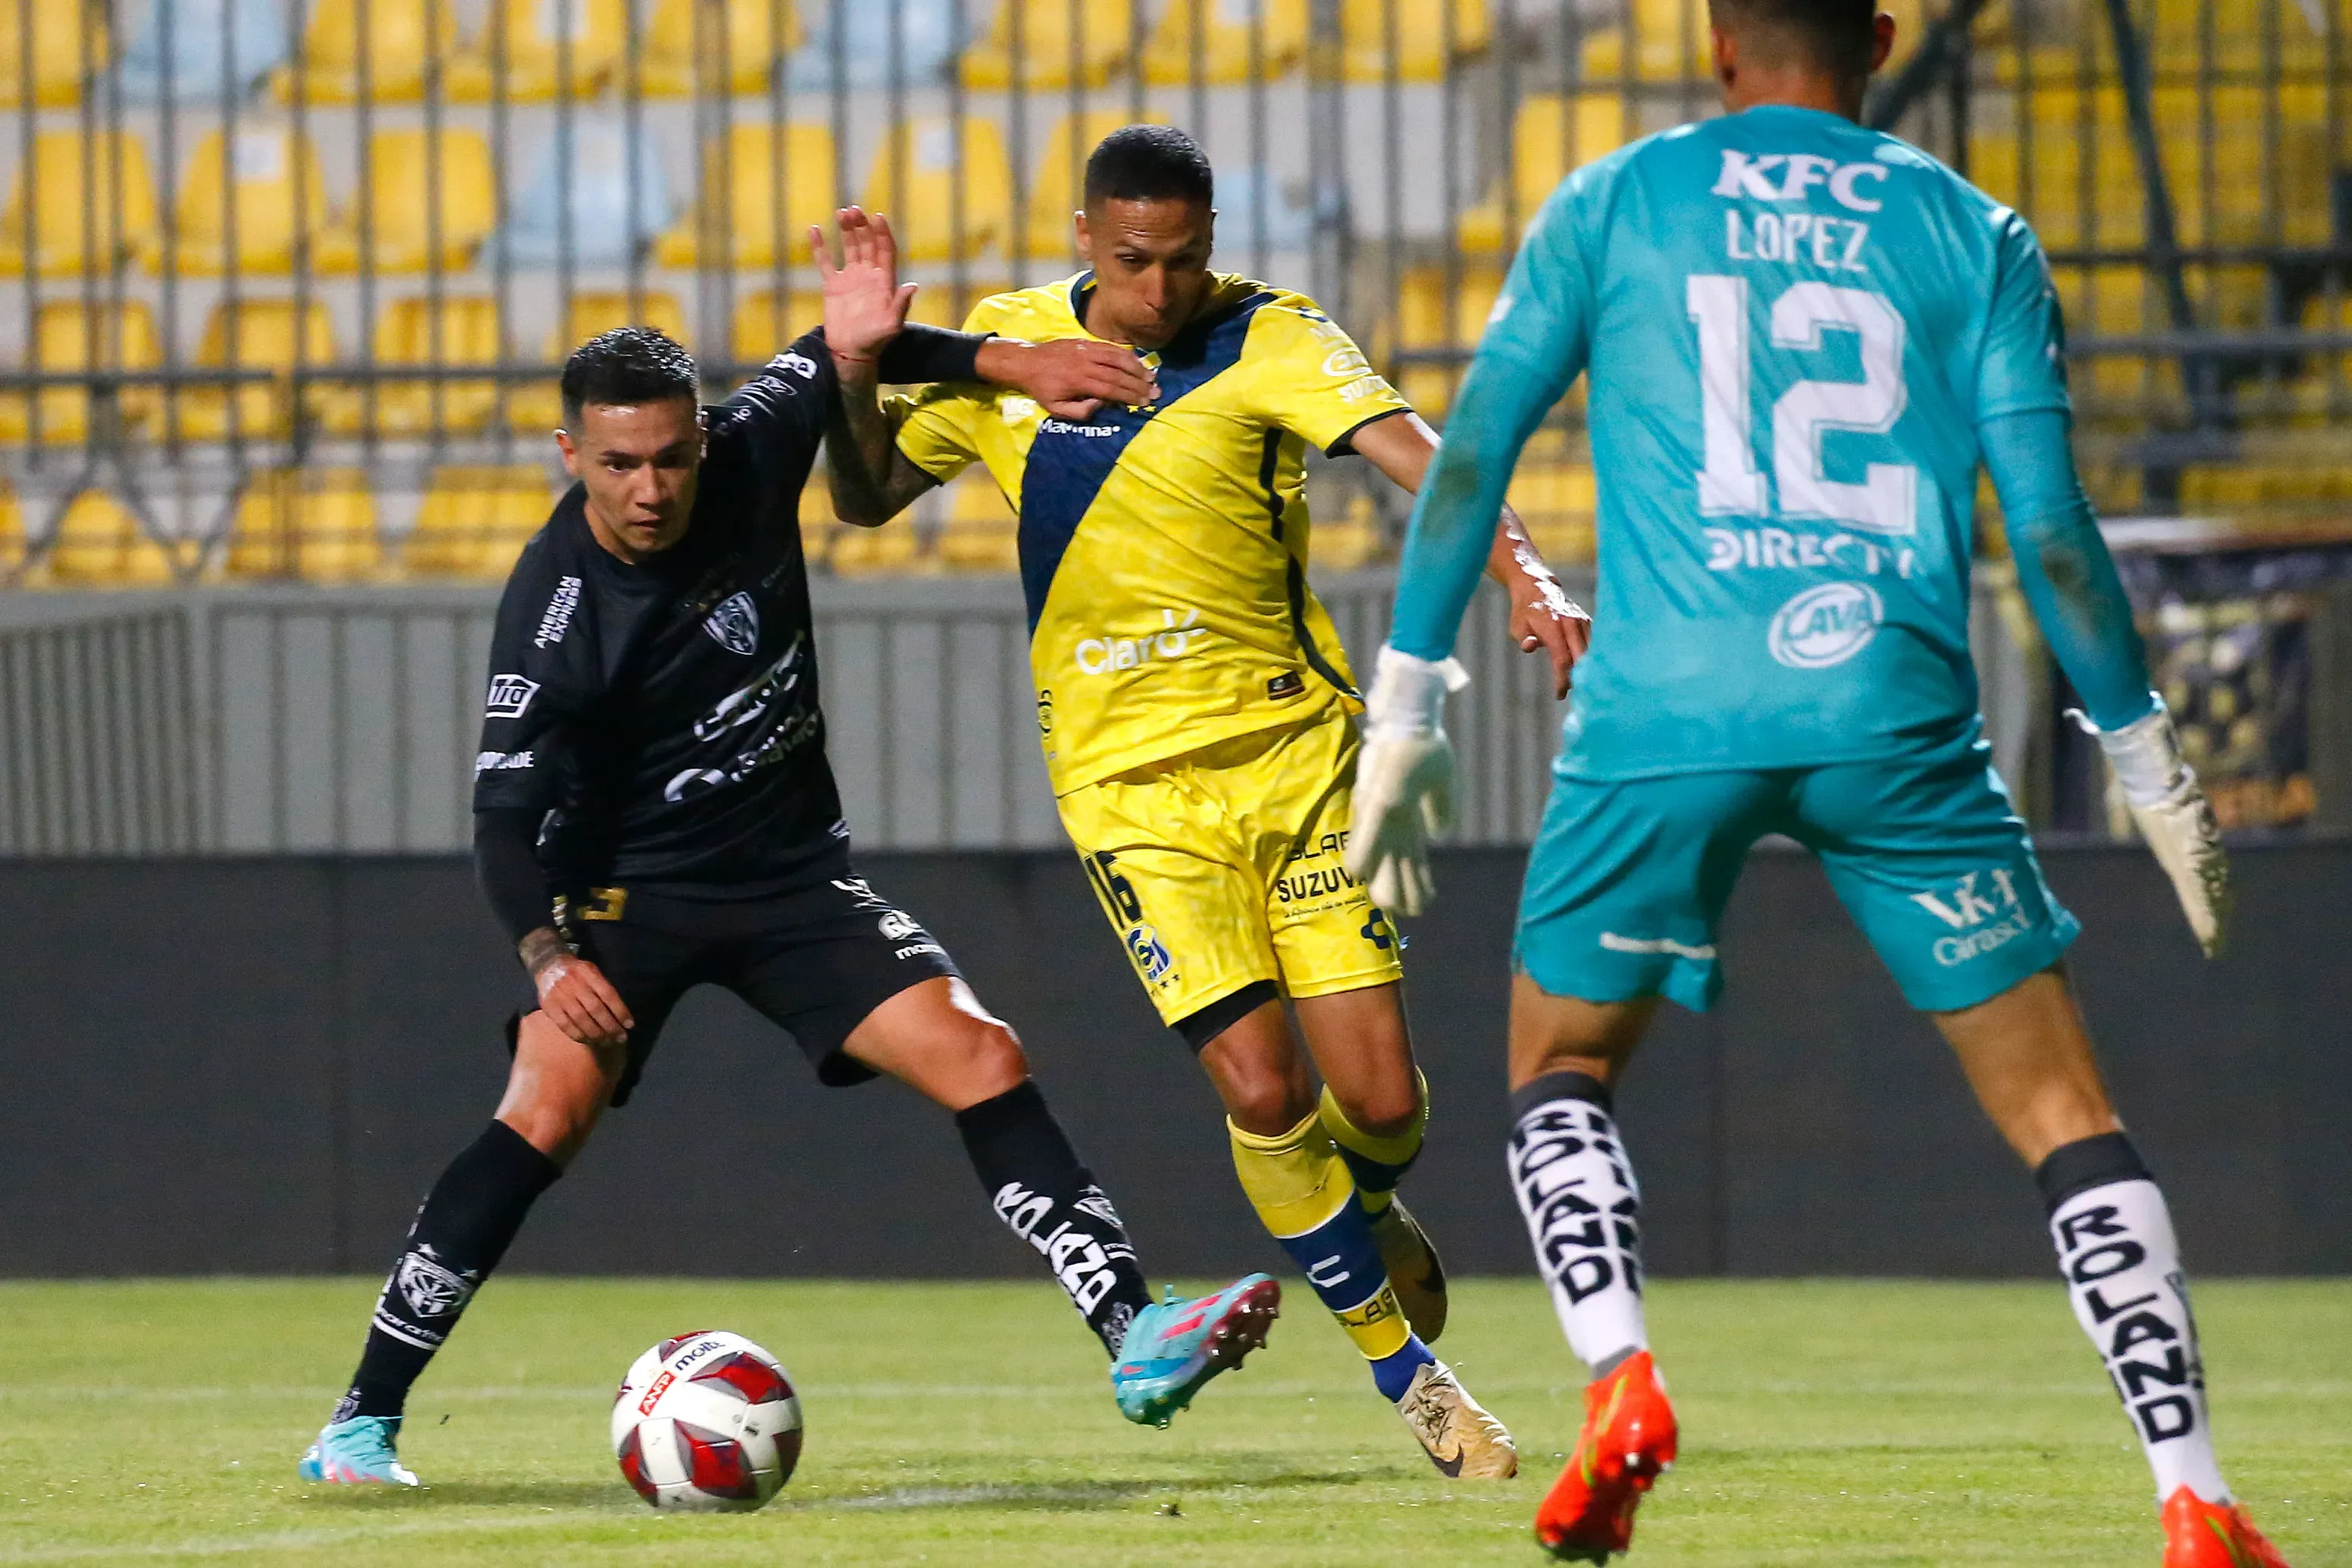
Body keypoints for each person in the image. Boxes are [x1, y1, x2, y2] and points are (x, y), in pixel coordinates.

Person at [1347, 1, 2285, 1561]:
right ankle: (2192, 1490)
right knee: (2064, 1112)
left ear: (1721, 45)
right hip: (1890, 705)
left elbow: (1469, 462)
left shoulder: (1616, 199)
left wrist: (1409, 702)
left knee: (1558, 1070)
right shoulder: (1971, 228)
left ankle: (1621, 1377)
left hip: (1662, 710)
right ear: (1885, 37)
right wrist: (2149, 757)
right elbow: (2052, 529)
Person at [298, 211, 1285, 1488]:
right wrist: (549, 958)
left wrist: (1018, 364)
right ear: (570, 456)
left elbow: (852, 348)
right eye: (616, 466)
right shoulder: (554, 619)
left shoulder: (752, 451)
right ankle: (361, 1423)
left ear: (699, 437)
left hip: (790, 880)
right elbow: (498, 823)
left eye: (666, 457)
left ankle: (1136, 1334)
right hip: (620, 901)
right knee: (542, 1114)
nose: (649, 490)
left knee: (983, 1055)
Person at [823, 125, 1589, 1480]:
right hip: (1131, 794)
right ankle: (1408, 1381)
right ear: (1082, 239)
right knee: (1258, 1086)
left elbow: (1436, 462)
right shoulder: (1010, 352)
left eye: (1184, 261)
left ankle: (1362, 1205)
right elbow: (869, 496)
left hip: (1296, 769)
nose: (1160, 289)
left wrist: (1525, 573)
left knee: (1384, 1107)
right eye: (1133, 262)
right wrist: (858, 364)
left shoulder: (1274, 340)